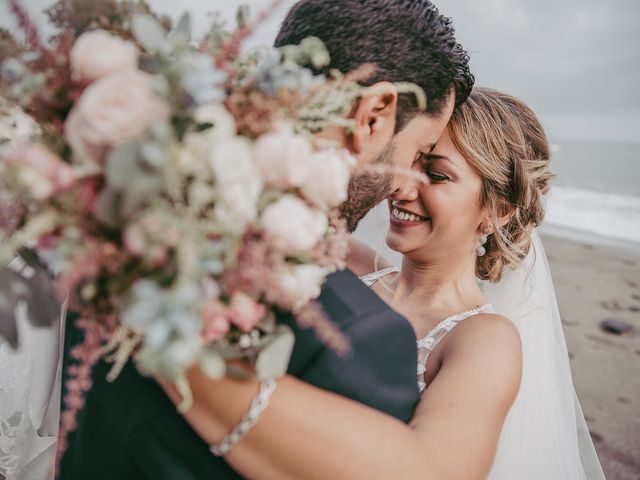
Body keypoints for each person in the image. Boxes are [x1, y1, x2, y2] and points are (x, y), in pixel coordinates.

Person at [57, 1, 474, 479]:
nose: (404, 185)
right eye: (418, 152)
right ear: (373, 115)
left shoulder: (111, 220)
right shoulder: (356, 334)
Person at [159, 87, 605, 479]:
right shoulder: (345, 258)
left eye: (437, 174)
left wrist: (182, 360)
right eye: (411, 162)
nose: (403, 188)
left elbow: (437, 472)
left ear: (499, 209)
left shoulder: (483, 341)